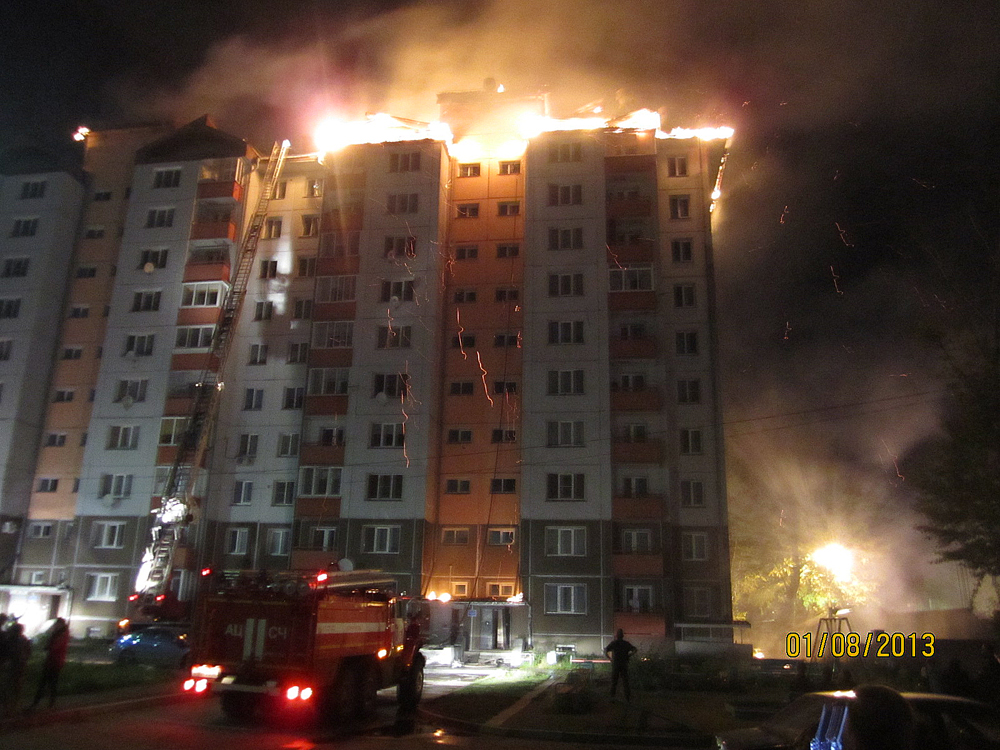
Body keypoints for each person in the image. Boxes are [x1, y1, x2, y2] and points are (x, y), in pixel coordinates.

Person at [31, 617, 70, 709]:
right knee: (46, 683)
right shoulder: (58, 633)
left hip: (55, 661)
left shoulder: (62, 634)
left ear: (61, 625)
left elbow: (57, 645)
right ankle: (42, 703)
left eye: (57, 624)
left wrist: (49, 647)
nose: (55, 626)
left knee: (49, 683)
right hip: (52, 661)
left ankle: (46, 703)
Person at [4, 622, 31, 716]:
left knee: (11, 686)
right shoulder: (22, 640)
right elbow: (28, 652)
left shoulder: (11, 639)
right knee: (16, 687)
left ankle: (10, 708)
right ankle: (13, 707)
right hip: (18, 665)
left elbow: (5, 652)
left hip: (15, 665)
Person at [604, 628, 637, 701]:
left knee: (614, 682)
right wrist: (629, 655)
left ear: (617, 635)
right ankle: (627, 698)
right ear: (623, 636)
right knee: (625, 681)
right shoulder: (626, 644)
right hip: (624, 664)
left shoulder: (614, 643)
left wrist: (610, 658)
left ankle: (612, 697)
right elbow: (635, 649)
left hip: (616, 664)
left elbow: (606, 650)